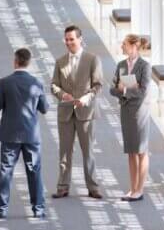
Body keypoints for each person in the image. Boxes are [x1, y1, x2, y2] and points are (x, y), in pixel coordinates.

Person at [0, 47, 49, 219]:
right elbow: (44, 108)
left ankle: (2, 209)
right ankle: (38, 209)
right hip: (31, 135)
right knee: (34, 171)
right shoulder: (37, 83)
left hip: (10, 134)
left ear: (15, 61)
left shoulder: (5, 82)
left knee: (6, 170)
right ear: (29, 62)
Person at [51, 25, 104, 199]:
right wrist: (62, 94)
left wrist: (86, 98)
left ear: (80, 39)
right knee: (65, 152)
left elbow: (97, 84)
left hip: (85, 112)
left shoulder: (92, 59)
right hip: (66, 112)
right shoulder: (60, 61)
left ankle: (93, 187)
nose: (68, 42)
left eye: (71, 39)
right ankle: (63, 186)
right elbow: (54, 85)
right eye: (66, 39)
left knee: (88, 151)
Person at [110, 34, 152, 202]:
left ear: (134, 46)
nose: (122, 47)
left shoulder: (145, 66)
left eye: (124, 44)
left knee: (141, 150)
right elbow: (112, 89)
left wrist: (125, 90)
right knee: (130, 151)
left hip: (140, 113)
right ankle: (132, 188)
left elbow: (143, 91)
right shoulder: (121, 65)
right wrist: (123, 90)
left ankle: (139, 189)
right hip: (126, 111)